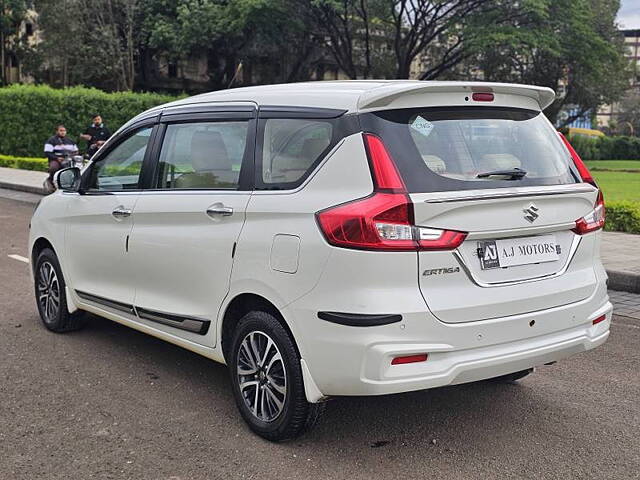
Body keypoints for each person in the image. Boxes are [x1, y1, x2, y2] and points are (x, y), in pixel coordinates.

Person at [44, 125, 79, 191]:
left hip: (68, 159)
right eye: (61, 131)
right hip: (56, 159)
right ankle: (51, 180)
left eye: (64, 131)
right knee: (53, 167)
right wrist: (57, 158)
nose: (63, 132)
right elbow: (47, 152)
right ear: (57, 131)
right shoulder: (51, 140)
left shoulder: (70, 141)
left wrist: (72, 156)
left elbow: (76, 151)